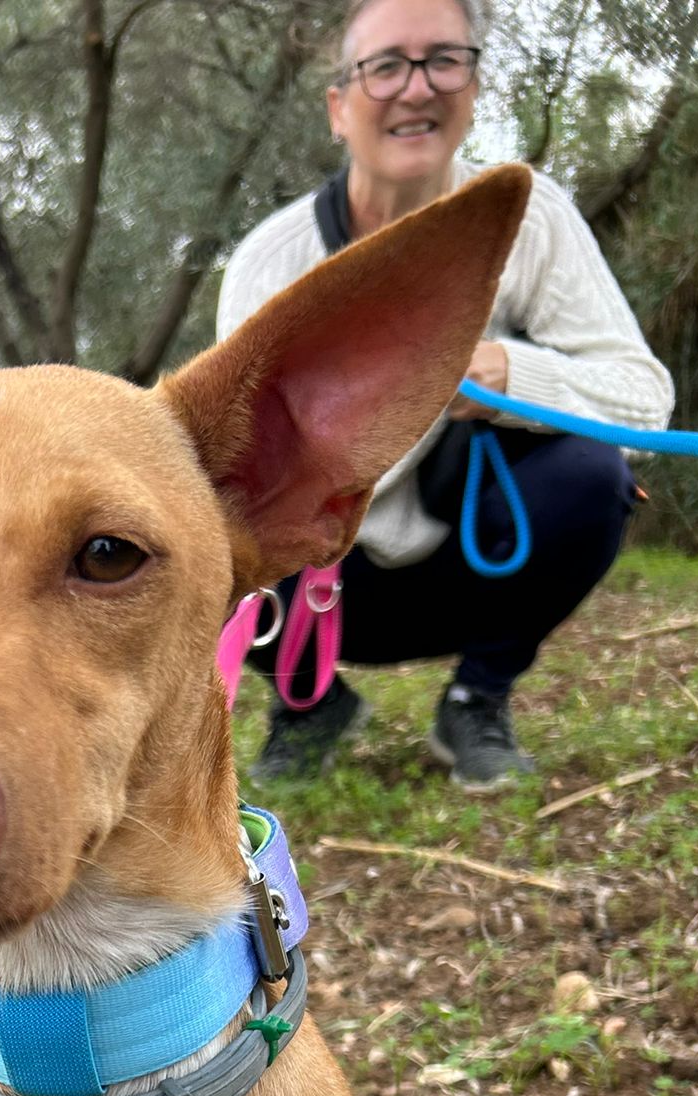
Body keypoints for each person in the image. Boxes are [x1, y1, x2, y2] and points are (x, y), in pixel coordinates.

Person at [215, 0, 674, 790]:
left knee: (595, 478)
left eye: (444, 60)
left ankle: (476, 699)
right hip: (321, 583)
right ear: (338, 107)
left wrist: (508, 375)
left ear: (474, 86)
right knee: (204, 521)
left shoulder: (533, 221)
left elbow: (645, 404)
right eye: (386, 65)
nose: (417, 86)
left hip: (479, 556)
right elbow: (236, 465)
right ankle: (307, 702)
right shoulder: (270, 263)